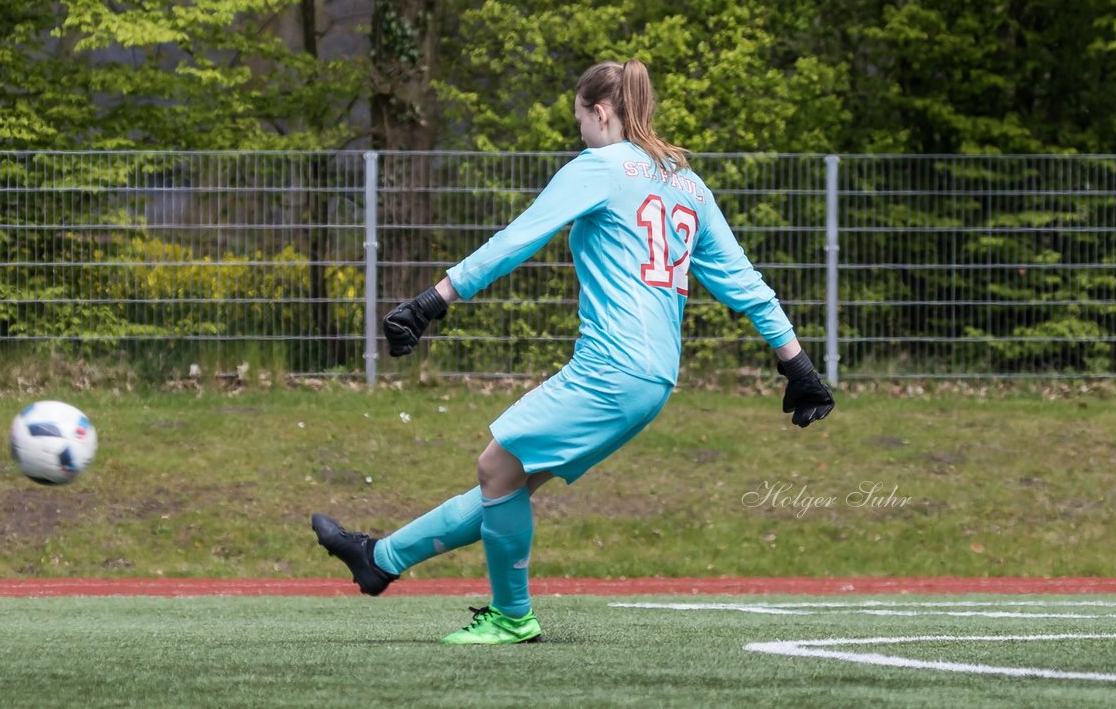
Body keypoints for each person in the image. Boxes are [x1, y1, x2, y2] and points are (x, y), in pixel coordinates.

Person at [312, 58, 834, 645]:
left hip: (613, 367)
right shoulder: (687, 185)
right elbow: (743, 282)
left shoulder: (599, 167)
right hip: (653, 377)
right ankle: (379, 558)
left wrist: (432, 300)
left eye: (579, 119)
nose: (580, 132)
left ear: (600, 112)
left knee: (495, 465)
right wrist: (798, 365)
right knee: (509, 480)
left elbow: (518, 238)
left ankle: (512, 616)